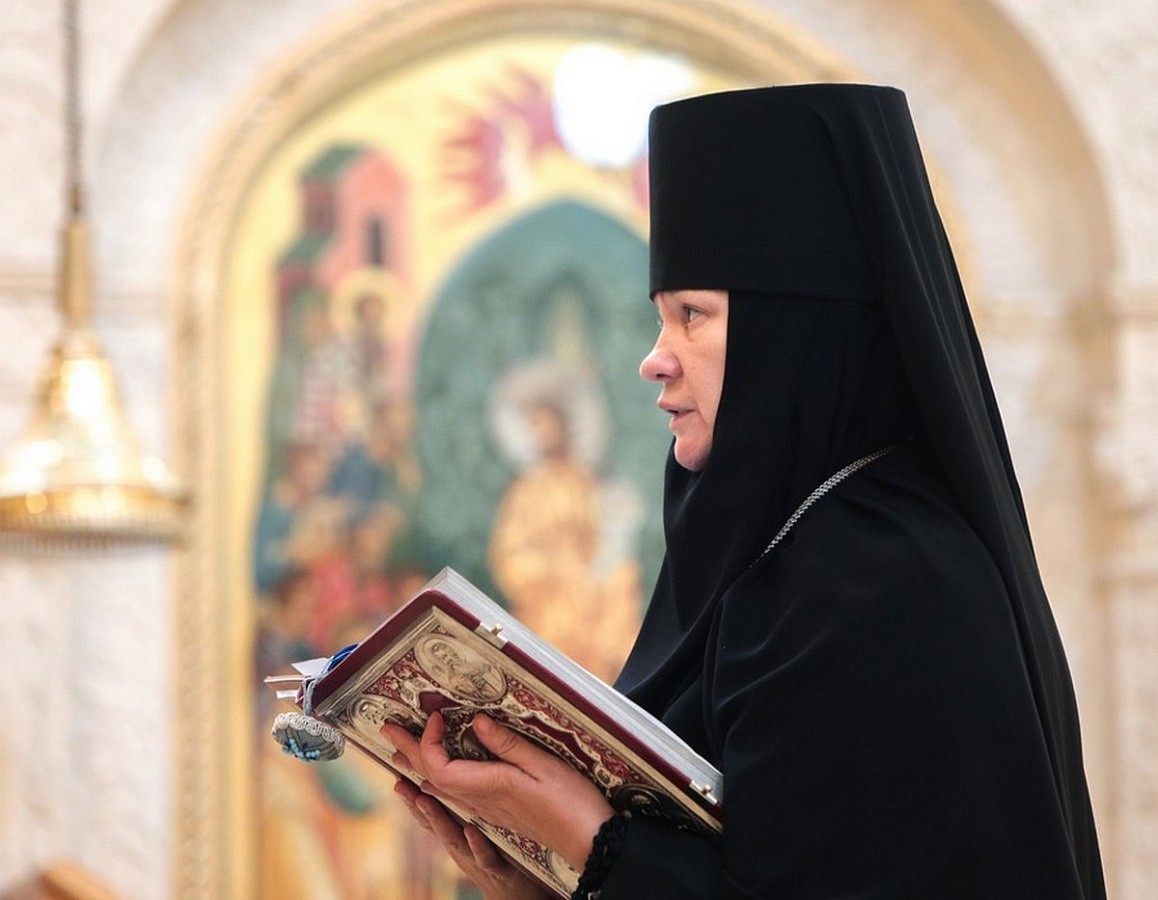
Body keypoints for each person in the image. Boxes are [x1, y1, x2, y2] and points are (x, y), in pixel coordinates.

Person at [382, 84, 1105, 899]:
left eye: (692, 314)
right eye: (660, 317)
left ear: (793, 333)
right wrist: (543, 880)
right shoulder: (775, 552)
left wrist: (593, 845)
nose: (655, 358)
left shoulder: (891, 577)